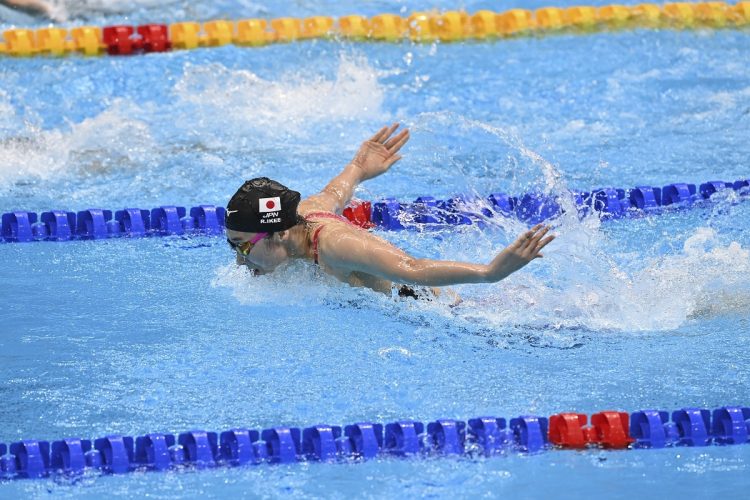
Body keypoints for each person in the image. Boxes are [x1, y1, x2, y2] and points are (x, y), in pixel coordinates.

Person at [225, 123, 554, 297]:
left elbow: (410, 268)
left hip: (441, 312)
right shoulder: (305, 212)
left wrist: (489, 273)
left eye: (242, 246)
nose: (239, 259)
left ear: (278, 234)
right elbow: (334, 193)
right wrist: (358, 165)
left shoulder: (334, 244)